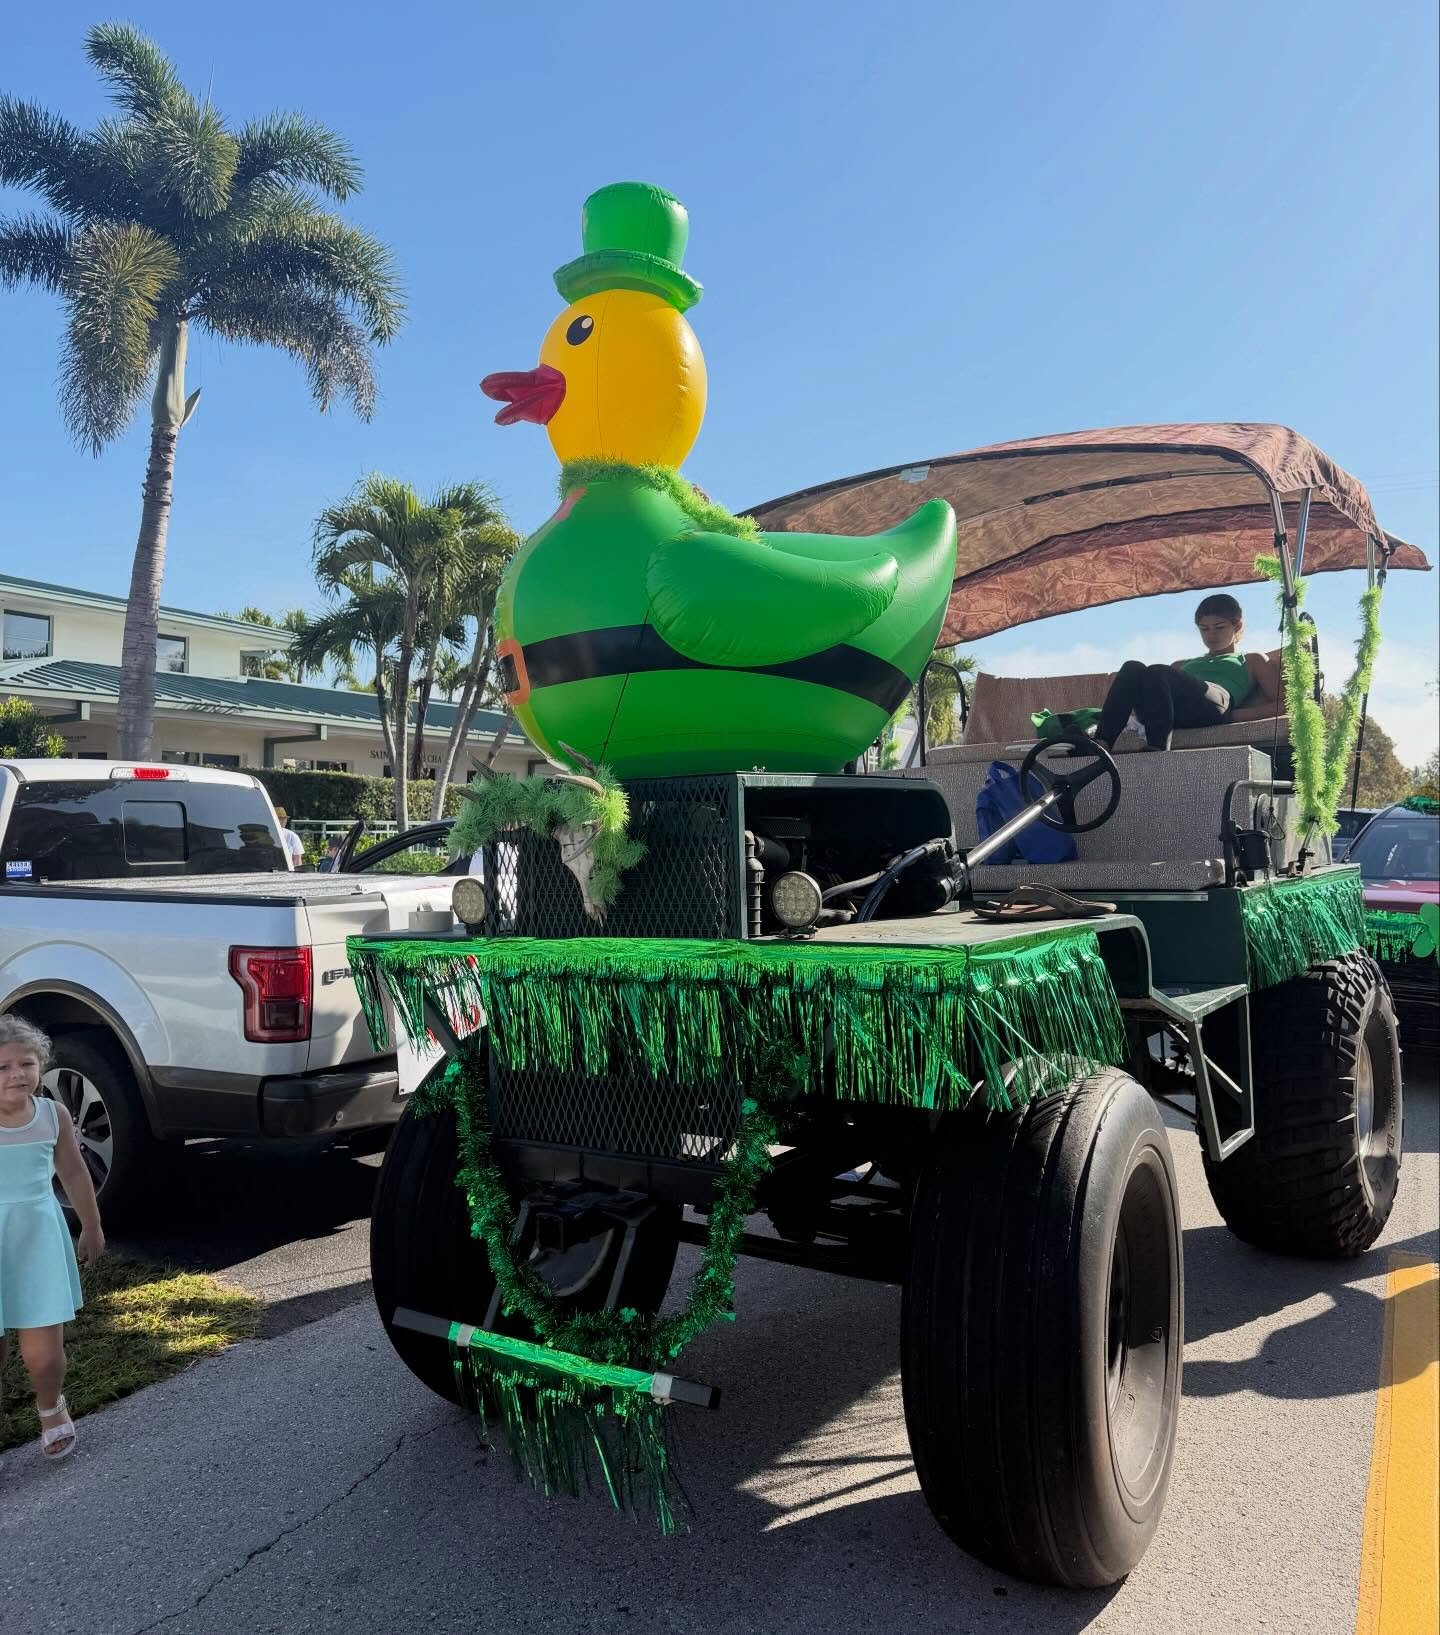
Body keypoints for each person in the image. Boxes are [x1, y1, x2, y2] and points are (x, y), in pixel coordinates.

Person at [0, 1015, 105, 1461]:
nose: (16, 1075)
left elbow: (75, 1173)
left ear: (41, 1066)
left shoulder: (52, 1115)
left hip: (36, 1242)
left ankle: (50, 1405)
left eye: (26, 1064)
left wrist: (92, 1226)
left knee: (42, 1356)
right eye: (2, 1067)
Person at [1096, 594, 1280, 752]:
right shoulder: (1182, 665)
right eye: (1204, 629)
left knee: (1157, 671)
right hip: (1171, 711)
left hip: (1213, 705)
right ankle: (1101, 743)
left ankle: (1157, 746)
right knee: (1132, 667)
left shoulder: (1251, 660)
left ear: (1237, 626)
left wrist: (1234, 716)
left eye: (1219, 627)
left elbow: (1286, 703)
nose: (1211, 635)